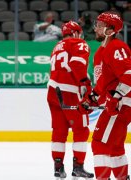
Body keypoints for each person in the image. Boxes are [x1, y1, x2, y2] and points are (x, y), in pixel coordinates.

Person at [79, 11, 131, 179]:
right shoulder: (100, 53)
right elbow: (102, 86)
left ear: (110, 31)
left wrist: (116, 97)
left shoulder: (117, 47)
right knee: (115, 146)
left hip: (121, 104)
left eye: (100, 26)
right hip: (116, 102)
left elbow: (129, 74)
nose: (96, 29)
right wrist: (90, 100)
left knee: (100, 142)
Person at [47, 21, 94, 179]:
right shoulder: (79, 43)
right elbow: (77, 64)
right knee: (81, 130)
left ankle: (58, 168)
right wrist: (86, 84)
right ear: (76, 33)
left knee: (59, 132)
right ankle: (78, 166)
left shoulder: (57, 46)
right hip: (69, 91)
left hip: (53, 91)